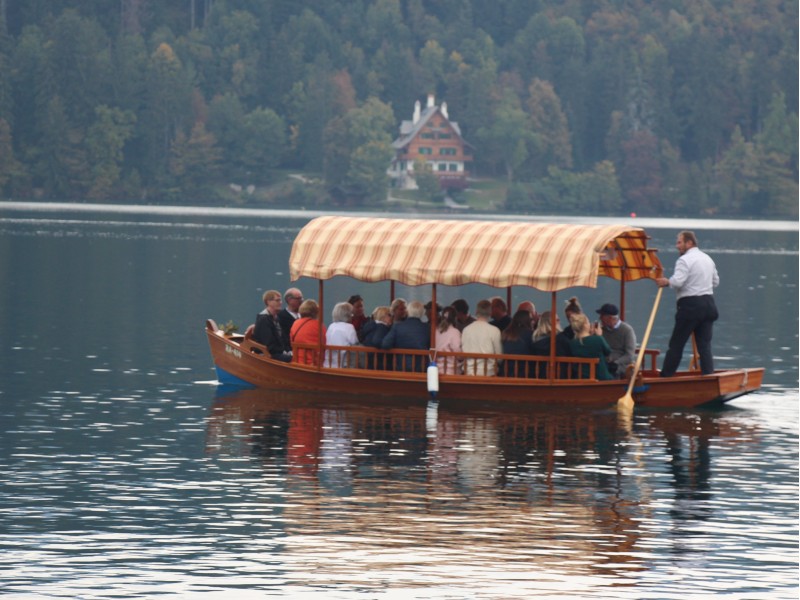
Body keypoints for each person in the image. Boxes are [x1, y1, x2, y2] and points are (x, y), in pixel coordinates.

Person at [656, 230, 720, 376]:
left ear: (689, 243)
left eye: (679, 242)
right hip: (709, 305)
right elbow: (716, 282)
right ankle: (708, 376)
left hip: (690, 306)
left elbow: (678, 281)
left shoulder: (684, 260)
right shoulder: (707, 258)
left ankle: (665, 378)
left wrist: (666, 282)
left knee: (676, 345)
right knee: (704, 346)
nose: (677, 246)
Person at [381, 300, 430, 372]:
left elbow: (385, 344)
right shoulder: (427, 328)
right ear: (422, 313)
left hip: (401, 366)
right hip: (421, 368)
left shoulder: (398, 326)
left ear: (408, 311)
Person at [462, 299, 503, 376]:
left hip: (469, 372)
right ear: (490, 313)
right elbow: (499, 357)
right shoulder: (495, 331)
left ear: (476, 312)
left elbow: (463, 351)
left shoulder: (466, 330)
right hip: (488, 372)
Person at [595, 303, 636, 378]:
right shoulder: (600, 330)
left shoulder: (627, 330)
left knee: (613, 370)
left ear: (610, 318)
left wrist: (616, 363)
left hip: (622, 365)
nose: (600, 318)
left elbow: (629, 355)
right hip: (605, 363)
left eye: (602, 316)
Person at [568, 313, 613, 380]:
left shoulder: (572, 343)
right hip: (601, 377)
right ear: (585, 325)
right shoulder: (597, 339)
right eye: (588, 322)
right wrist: (600, 336)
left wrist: (591, 335)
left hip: (581, 377)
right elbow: (608, 351)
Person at [253, 290, 293, 362]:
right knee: (295, 360)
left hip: (278, 352)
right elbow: (269, 345)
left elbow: (284, 339)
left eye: (280, 300)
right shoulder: (264, 319)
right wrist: (284, 352)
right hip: (267, 354)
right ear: (268, 302)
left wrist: (289, 351)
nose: (280, 303)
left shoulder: (276, 318)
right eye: (277, 300)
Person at [530, 311, 572, 378]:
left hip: (539, 377)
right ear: (551, 322)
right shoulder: (560, 340)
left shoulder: (534, 340)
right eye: (557, 320)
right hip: (560, 377)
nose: (559, 322)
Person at [290, 299, 326, 365]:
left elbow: (291, 340)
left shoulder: (295, 323)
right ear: (316, 312)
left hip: (296, 361)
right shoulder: (318, 325)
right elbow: (324, 343)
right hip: (313, 363)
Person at [500, 310, 534, 377]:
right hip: (523, 371)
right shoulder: (529, 334)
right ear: (526, 320)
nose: (533, 321)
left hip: (505, 371)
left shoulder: (506, 333)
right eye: (531, 319)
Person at [324, 301, 359, 368]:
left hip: (328, 364)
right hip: (343, 364)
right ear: (347, 315)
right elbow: (355, 343)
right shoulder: (349, 327)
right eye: (351, 314)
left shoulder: (331, 326)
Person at [434, 306, 462, 375]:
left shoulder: (436, 331)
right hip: (451, 370)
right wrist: (462, 357)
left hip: (437, 369)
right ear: (455, 318)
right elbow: (457, 351)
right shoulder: (455, 332)